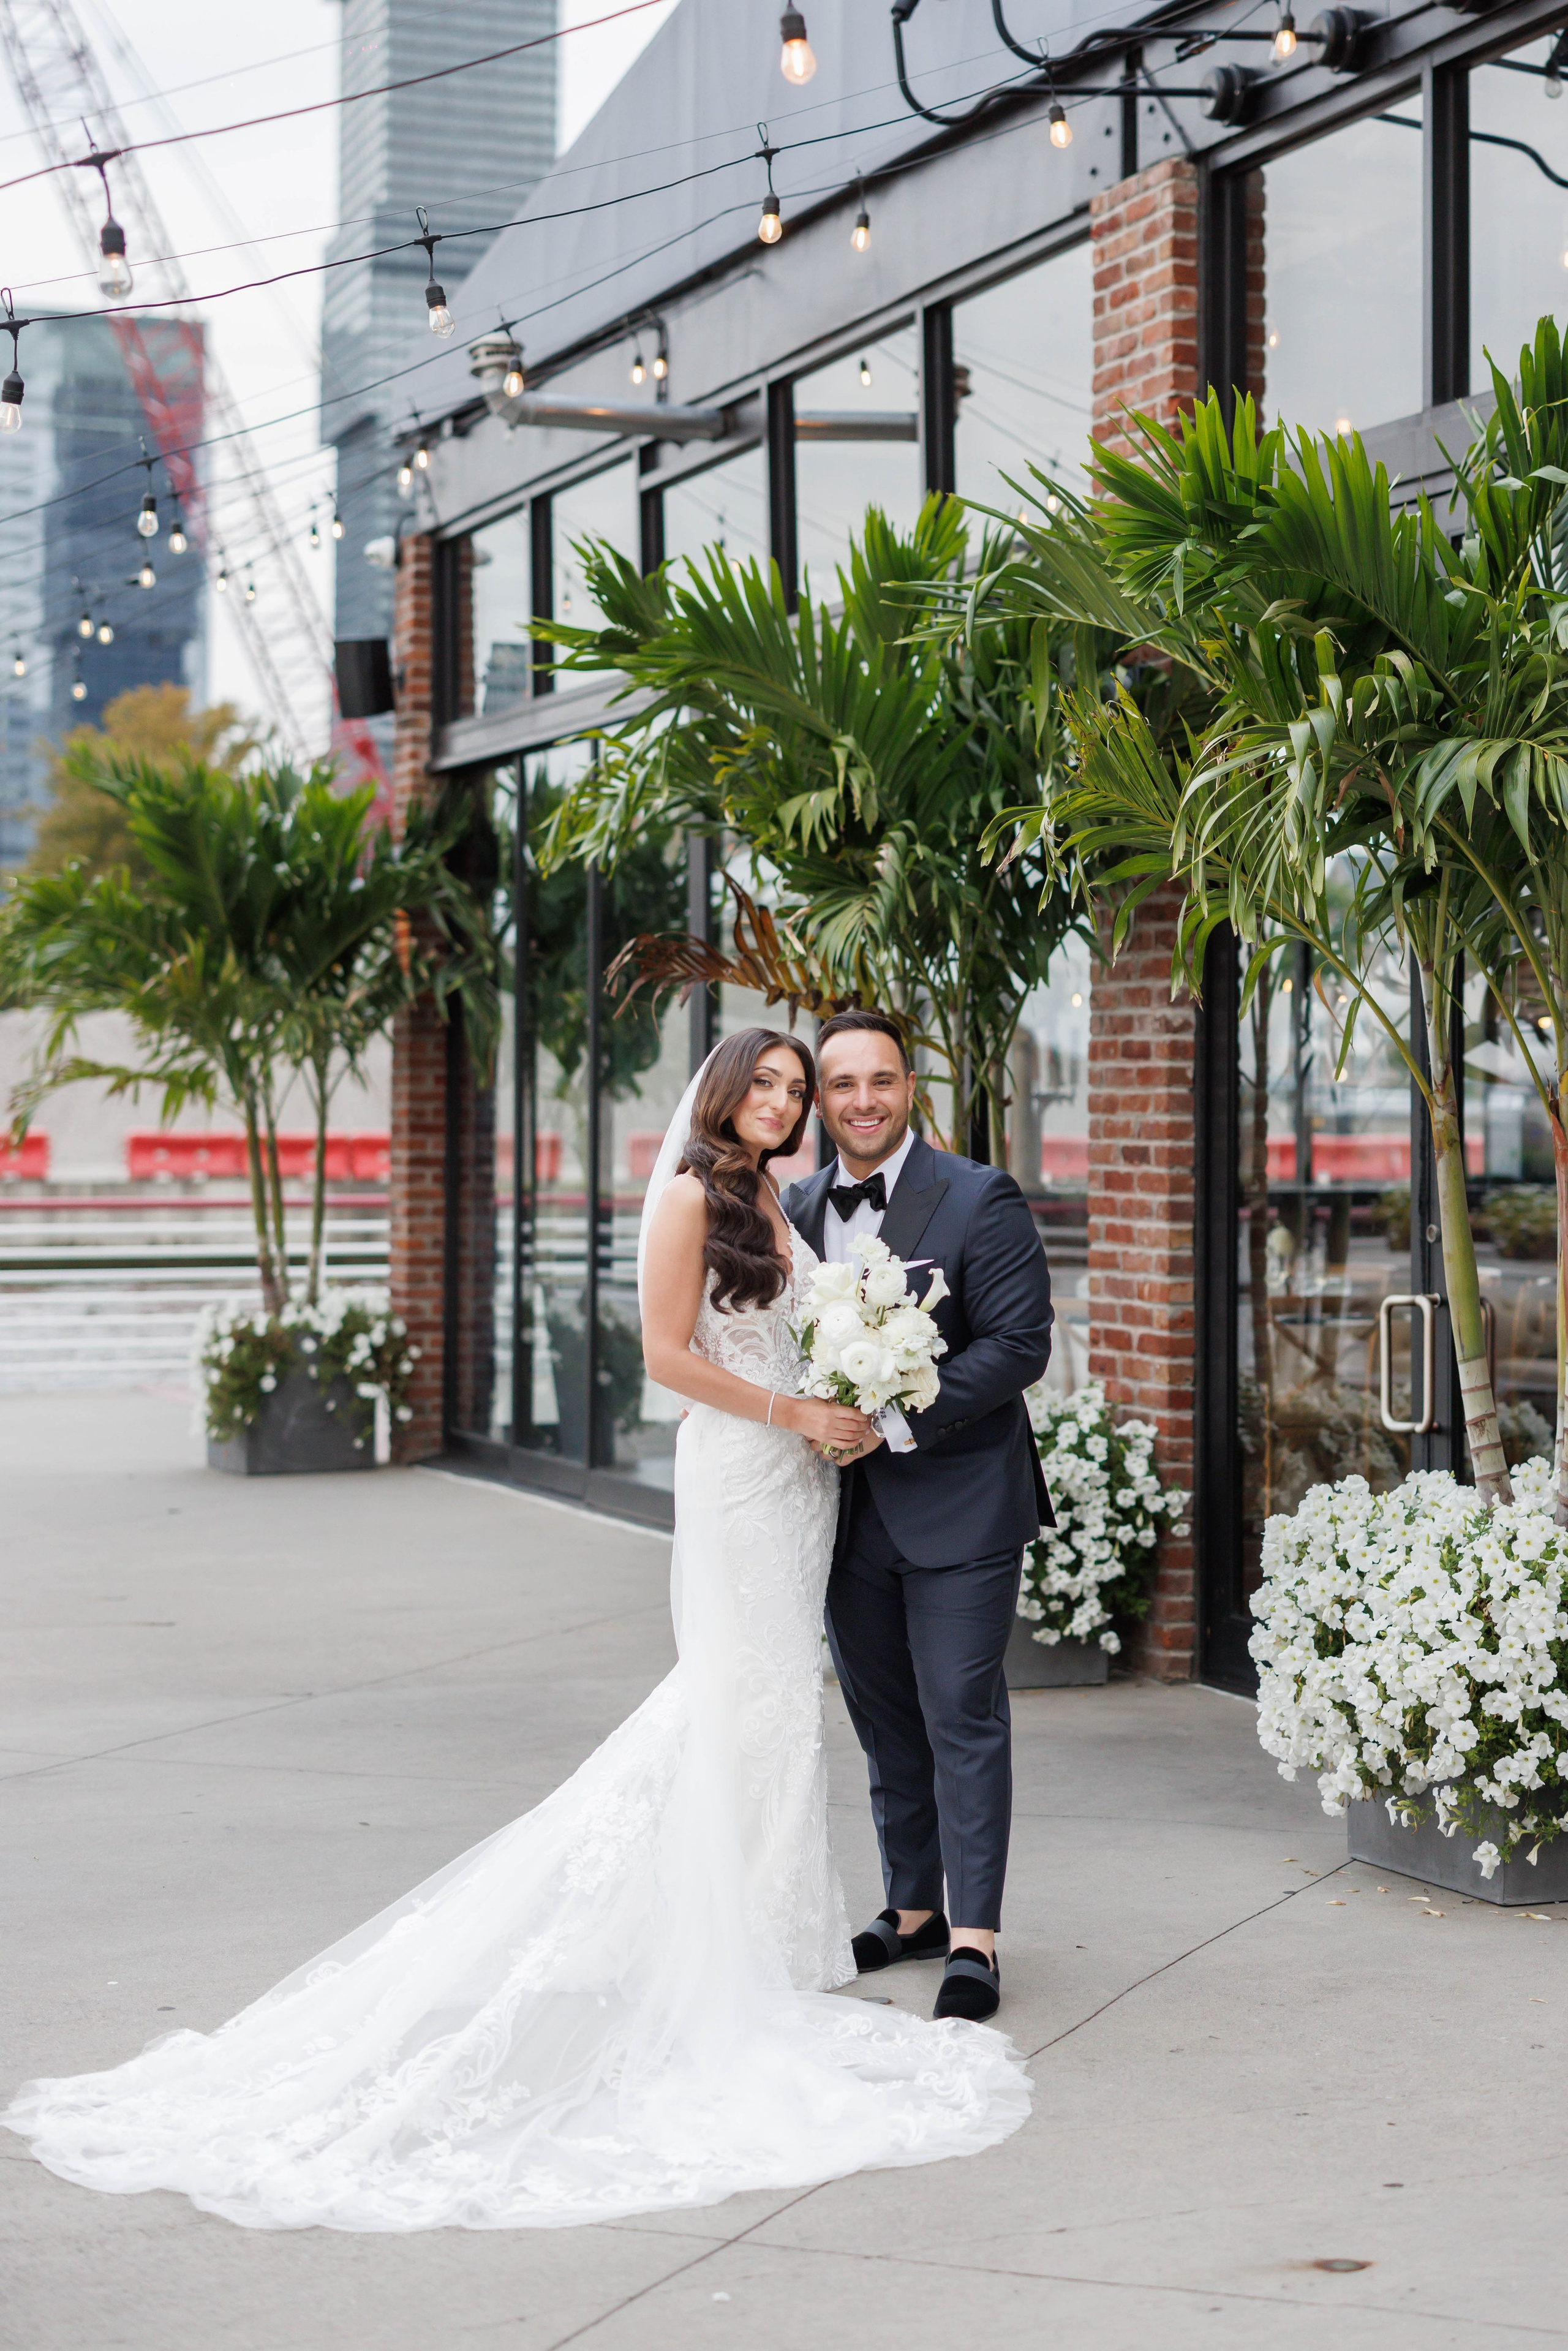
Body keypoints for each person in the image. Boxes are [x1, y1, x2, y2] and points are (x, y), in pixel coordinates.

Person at [4, 1027, 1028, 2233]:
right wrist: (791, 1403)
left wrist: (851, 1388)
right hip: (747, 1469)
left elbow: (891, 1327)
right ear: (722, 1091)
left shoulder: (781, 1192)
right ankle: (729, 1958)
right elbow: (661, 1355)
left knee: (771, 1715)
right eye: (772, 1081)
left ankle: (772, 1937)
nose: (790, 1099)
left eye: (798, 1086)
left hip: (803, 1485)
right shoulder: (697, 1189)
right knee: (732, 1701)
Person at [782, 1011, 1055, 2025]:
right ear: (822, 1096)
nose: (863, 1100)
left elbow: (1021, 1343)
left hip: (961, 1505)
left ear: (910, 1088)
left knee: (962, 1714)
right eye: (842, 1082)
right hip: (838, 1518)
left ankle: (975, 1937)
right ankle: (913, 1907)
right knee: (885, 1719)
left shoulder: (980, 1196)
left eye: (881, 1080)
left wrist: (898, 1410)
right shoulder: (794, 1206)